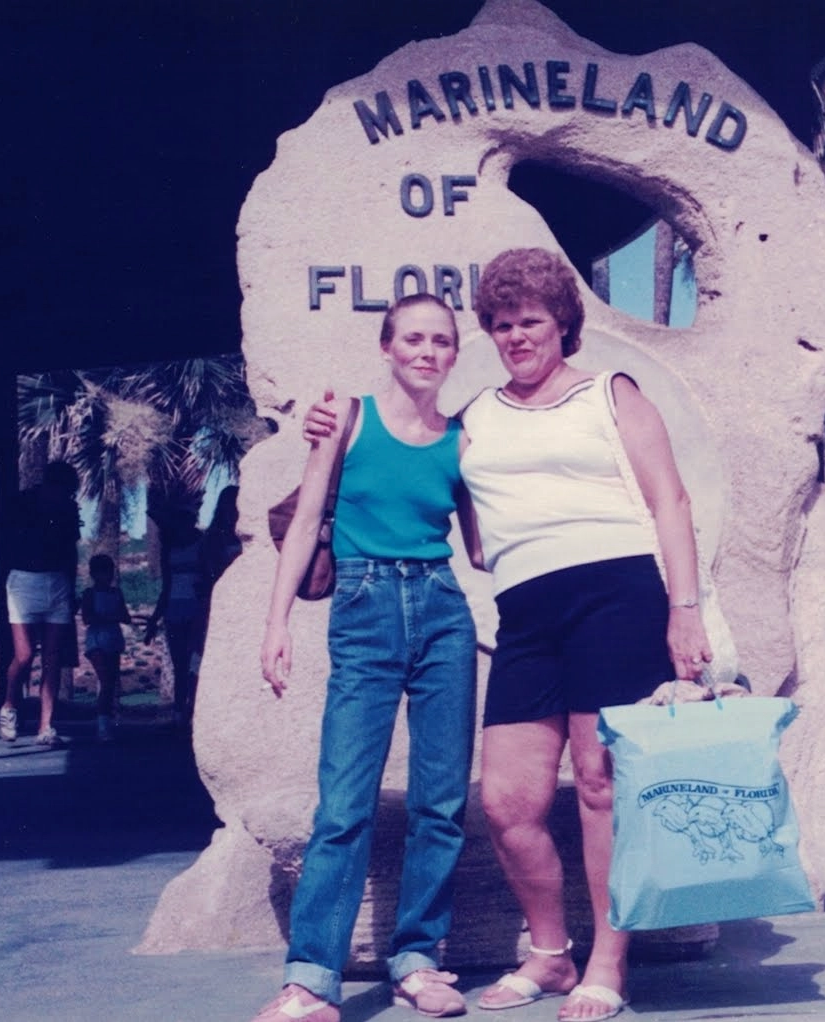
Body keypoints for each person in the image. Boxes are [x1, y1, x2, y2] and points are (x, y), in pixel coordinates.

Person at [305, 247, 712, 1022]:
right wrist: (327, 427)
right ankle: (550, 955)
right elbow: (401, 449)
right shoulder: (476, 418)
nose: (516, 336)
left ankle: (607, 961)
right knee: (505, 802)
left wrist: (683, 609)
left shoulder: (610, 394)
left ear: (562, 323)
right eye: (500, 325)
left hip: (616, 598)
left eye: (530, 321)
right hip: (526, 614)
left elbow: (671, 502)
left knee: (599, 786)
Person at [252, 293, 479, 1022]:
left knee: (440, 803)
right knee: (344, 804)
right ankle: (311, 979)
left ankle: (418, 958)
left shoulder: (463, 437)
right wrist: (277, 621)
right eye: (412, 338)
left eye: (440, 341)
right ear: (387, 346)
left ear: (453, 353)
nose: (426, 351)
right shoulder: (346, 418)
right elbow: (308, 519)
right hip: (363, 606)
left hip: (444, 610)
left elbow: (479, 543)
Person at [0, 460, 83, 747]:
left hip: (58, 583)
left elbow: (71, 552)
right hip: (22, 582)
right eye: (62, 491)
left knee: (52, 658)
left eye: (69, 493)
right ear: (49, 485)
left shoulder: (68, 509)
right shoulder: (17, 504)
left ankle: (46, 726)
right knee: (24, 656)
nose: (65, 497)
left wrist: (71, 590)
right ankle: (9, 705)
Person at [145, 505, 206, 730]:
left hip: (196, 609)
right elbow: (166, 586)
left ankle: (195, 710)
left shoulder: (202, 543)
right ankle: (180, 712)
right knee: (180, 664)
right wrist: (153, 620)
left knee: (195, 664)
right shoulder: (169, 549)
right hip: (173, 610)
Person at [80, 553, 130, 742]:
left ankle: (106, 720)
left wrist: (115, 616)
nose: (106, 577)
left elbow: (125, 615)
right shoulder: (89, 594)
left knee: (110, 682)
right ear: (93, 574)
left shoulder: (116, 593)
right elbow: (87, 618)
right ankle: (102, 727)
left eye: (108, 572)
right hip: (97, 640)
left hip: (113, 638)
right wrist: (111, 617)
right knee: (105, 680)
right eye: (101, 573)